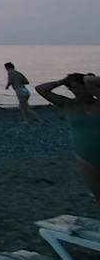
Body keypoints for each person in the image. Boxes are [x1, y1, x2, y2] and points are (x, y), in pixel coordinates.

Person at [36, 73, 100, 202]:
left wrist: (88, 79)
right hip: (85, 156)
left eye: (82, 87)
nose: (78, 91)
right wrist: (62, 81)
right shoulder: (67, 104)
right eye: (74, 88)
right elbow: (40, 89)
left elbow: (92, 81)